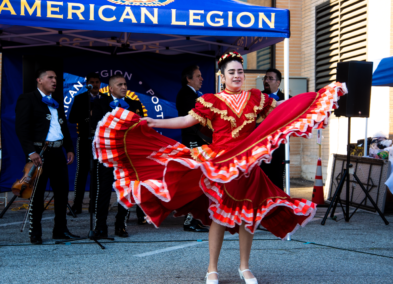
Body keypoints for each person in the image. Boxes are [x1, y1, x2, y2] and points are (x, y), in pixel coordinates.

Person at [93, 52, 346, 283]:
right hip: (221, 164)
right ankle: (211, 268)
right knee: (219, 216)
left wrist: (316, 99)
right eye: (232, 72)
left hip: (247, 165)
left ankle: (244, 267)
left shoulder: (256, 98)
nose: (237, 76)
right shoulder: (210, 100)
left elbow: (282, 108)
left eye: (240, 71)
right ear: (222, 76)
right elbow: (186, 120)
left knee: (250, 215)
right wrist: (155, 121)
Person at [15, 68, 80, 245]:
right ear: (39, 80)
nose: (54, 81)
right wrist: (31, 152)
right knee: (37, 194)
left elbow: (63, 128)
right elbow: (21, 128)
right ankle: (35, 232)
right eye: (50, 78)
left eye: (56, 78)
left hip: (57, 152)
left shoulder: (55, 102)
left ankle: (60, 230)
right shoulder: (27, 99)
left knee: (61, 193)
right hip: (40, 153)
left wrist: (69, 147)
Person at [91, 74, 145, 238]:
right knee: (104, 191)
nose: (123, 87)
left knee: (126, 190)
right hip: (108, 154)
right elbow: (95, 126)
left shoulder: (134, 104)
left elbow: (140, 128)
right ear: (111, 88)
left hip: (127, 154)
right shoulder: (100, 102)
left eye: (125, 84)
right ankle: (100, 226)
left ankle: (121, 224)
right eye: (119, 84)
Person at [176, 65, 210, 233]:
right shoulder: (186, 94)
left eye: (201, 75)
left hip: (198, 141)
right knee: (197, 181)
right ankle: (190, 220)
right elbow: (195, 120)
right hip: (193, 142)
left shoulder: (195, 95)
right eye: (198, 76)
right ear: (188, 79)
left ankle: (194, 218)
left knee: (201, 180)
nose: (201, 79)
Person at [68, 72, 104, 215]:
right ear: (87, 84)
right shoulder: (80, 98)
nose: (94, 85)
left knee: (97, 173)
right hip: (84, 139)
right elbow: (71, 118)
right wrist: (86, 115)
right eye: (92, 82)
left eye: (97, 82)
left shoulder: (105, 99)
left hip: (100, 141)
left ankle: (94, 205)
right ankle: (77, 205)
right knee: (82, 172)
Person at [259, 68, 287, 190]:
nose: (266, 80)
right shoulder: (257, 98)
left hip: (278, 148)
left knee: (276, 182)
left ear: (278, 82)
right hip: (259, 147)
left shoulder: (287, 99)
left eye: (270, 78)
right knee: (259, 181)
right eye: (265, 78)